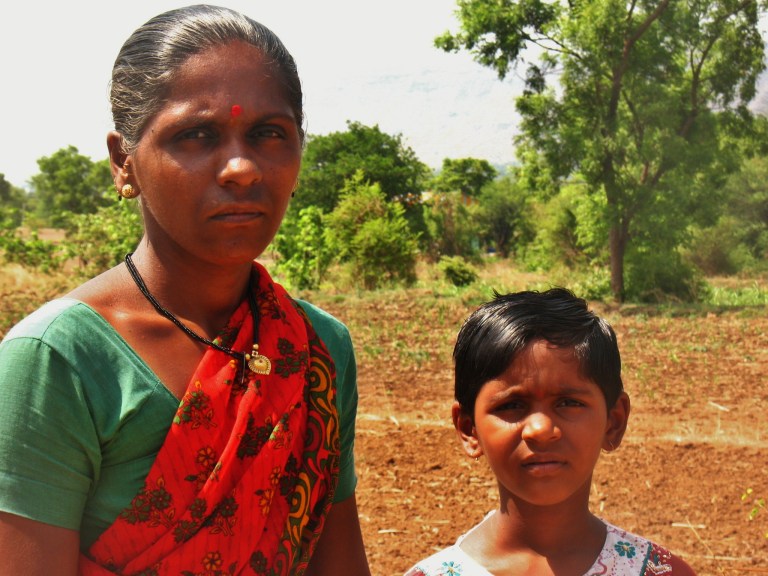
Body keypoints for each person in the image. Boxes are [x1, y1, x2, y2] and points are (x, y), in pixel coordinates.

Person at [0, 5, 371, 575]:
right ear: (124, 163)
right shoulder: (56, 361)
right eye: (197, 135)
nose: (243, 167)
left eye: (269, 133)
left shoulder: (316, 348)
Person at [404, 288, 696, 576]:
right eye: (511, 405)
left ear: (614, 421)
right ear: (469, 429)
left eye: (569, 403)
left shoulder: (659, 572)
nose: (541, 430)